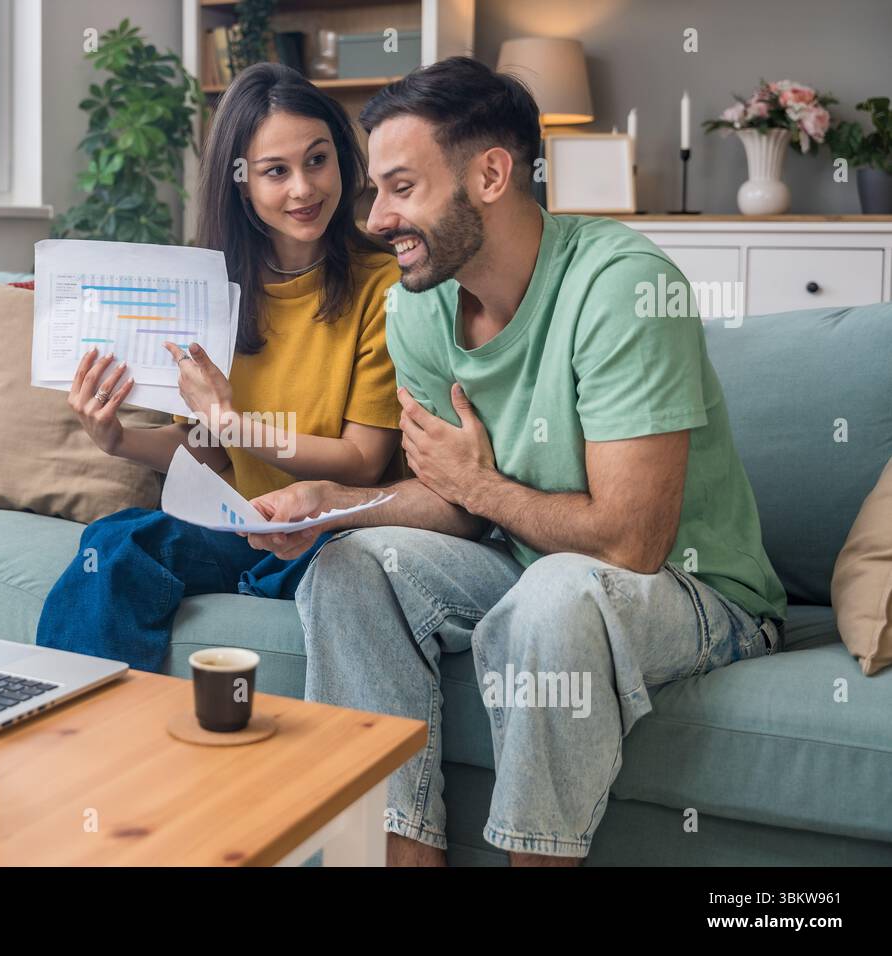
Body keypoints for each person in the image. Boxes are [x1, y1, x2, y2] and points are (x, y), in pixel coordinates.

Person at [243, 56, 787, 867]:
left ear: (491, 173)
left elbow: (631, 544)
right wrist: (330, 501)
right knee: (349, 565)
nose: (374, 217)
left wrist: (481, 485)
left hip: (692, 589)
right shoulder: (416, 305)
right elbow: (456, 506)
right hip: (533, 562)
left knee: (556, 591)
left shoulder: (620, 288)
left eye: (400, 187)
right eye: (375, 191)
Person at [35, 63, 403, 671]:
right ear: (240, 182)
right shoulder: (218, 285)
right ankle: (76, 728)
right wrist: (120, 438)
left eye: (318, 160)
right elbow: (213, 447)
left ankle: (260, 586)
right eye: (275, 172)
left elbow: (363, 459)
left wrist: (237, 426)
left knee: (322, 562)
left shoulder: (383, 284)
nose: (303, 189)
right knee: (116, 541)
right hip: (243, 526)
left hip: (330, 530)